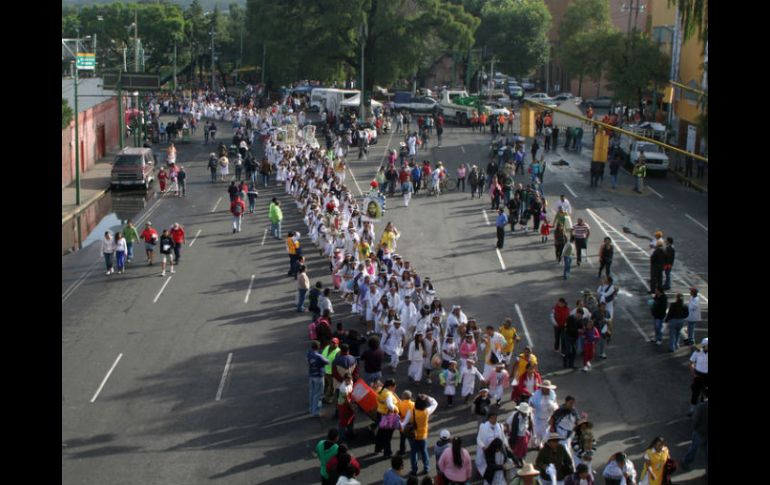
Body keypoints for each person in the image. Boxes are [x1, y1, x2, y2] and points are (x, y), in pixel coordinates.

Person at [400, 393, 438, 476]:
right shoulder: (426, 412)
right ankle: (426, 467)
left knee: (413, 452)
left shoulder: (411, 411)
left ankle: (414, 470)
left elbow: (403, 424)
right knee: (424, 451)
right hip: (423, 435)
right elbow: (435, 403)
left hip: (412, 436)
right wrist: (428, 397)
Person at [681, 387, 708, 474]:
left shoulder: (701, 406)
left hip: (699, 432)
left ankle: (685, 462)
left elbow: (695, 420)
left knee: (693, 448)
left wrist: (695, 428)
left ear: (704, 395)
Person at [475, 409, 507, 479]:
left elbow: (503, 438)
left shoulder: (499, 426)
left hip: (497, 450)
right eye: (492, 418)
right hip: (487, 450)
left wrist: (506, 447)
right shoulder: (483, 427)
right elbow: (479, 439)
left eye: (495, 418)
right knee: (485, 464)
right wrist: (483, 447)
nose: (494, 420)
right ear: (489, 418)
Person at [375, 379, 400, 458]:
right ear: (389, 386)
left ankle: (378, 448)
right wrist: (395, 408)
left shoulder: (380, 390)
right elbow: (390, 405)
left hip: (379, 413)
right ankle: (387, 452)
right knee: (388, 435)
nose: (395, 388)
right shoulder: (388, 394)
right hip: (387, 415)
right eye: (394, 387)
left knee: (381, 433)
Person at [506, 402, 534, 467]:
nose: (525, 414)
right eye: (523, 412)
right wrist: (508, 432)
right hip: (516, 435)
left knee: (524, 449)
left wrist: (529, 432)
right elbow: (507, 423)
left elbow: (531, 423)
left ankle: (521, 459)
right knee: (516, 449)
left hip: (525, 434)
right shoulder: (514, 415)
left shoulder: (529, 414)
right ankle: (516, 461)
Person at [308, 340, 330, 417]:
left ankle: (311, 408)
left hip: (311, 375)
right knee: (318, 394)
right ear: (319, 347)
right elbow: (327, 362)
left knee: (312, 392)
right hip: (319, 376)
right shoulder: (319, 356)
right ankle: (316, 412)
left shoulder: (309, 353)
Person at [688, 338, 708, 415]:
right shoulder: (697, 351)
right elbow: (691, 362)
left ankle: (703, 409)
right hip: (698, 375)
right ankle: (693, 407)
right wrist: (693, 373)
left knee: (706, 393)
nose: (702, 347)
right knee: (695, 391)